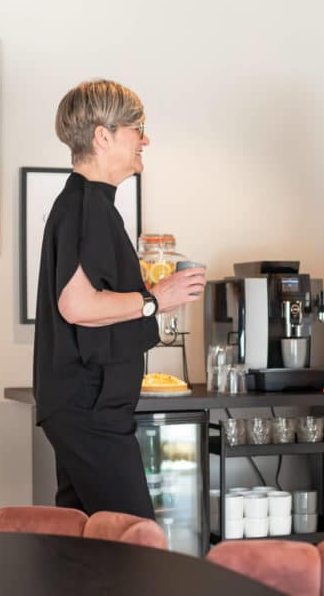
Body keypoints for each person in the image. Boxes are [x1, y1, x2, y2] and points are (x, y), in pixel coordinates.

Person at [33, 80, 206, 518]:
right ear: (102, 136)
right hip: (90, 410)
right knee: (136, 542)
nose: (144, 139)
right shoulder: (85, 205)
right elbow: (77, 305)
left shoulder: (87, 205)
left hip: (84, 407)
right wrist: (154, 300)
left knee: (88, 546)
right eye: (137, 127)